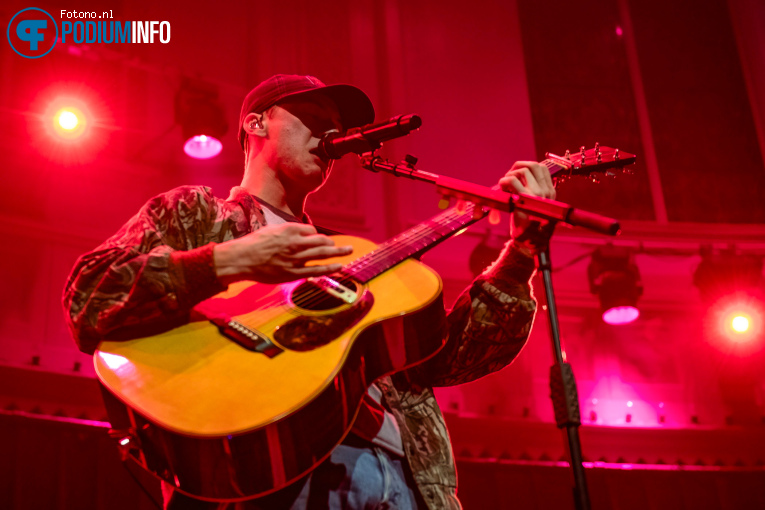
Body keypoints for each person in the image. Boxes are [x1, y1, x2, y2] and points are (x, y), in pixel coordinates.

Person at [63, 74, 556, 510]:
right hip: (276, 476)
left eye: (336, 127)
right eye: (314, 118)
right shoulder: (197, 215)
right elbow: (89, 296)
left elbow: (449, 359)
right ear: (257, 124)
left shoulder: (351, 258)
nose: (331, 135)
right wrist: (230, 260)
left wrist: (520, 253)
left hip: (409, 484)